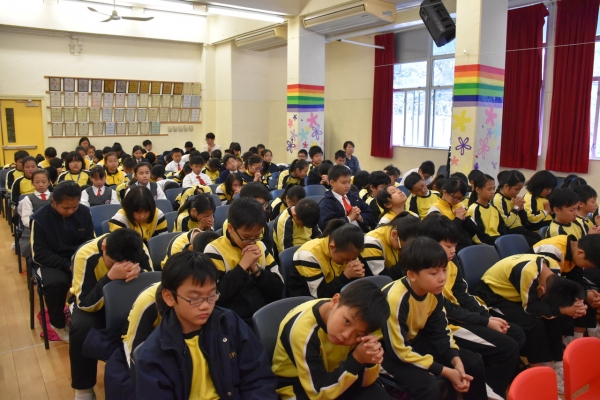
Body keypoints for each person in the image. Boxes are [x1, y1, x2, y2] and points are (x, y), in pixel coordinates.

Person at [135, 251, 278, 399]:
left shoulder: (229, 323)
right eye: (195, 298)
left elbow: (259, 379)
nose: (205, 306)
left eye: (211, 296)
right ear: (169, 297)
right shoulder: (153, 354)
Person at [415, 214, 524, 398]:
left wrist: (487, 317)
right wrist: (485, 322)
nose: (453, 251)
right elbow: (445, 309)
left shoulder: (452, 262)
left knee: (515, 333)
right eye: (448, 246)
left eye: (455, 246)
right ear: (430, 243)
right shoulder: (424, 270)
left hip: (460, 315)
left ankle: (492, 386)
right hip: (447, 323)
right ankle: (490, 391)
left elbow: (463, 295)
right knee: (507, 347)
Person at [381, 237, 487, 400]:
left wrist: (455, 361)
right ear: (412, 275)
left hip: (413, 339)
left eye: (444, 270)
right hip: (384, 350)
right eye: (433, 273)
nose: (442, 278)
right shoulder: (396, 299)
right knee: (430, 388)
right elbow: (398, 351)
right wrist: (446, 371)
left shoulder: (434, 290)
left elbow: (440, 330)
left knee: (472, 363)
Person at [476, 253, 587, 394]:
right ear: (542, 290)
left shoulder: (553, 266)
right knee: (534, 324)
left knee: (553, 317)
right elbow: (531, 308)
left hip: (517, 293)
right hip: (494, 296)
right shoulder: (528, 273)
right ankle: (539, 376)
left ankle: (556, 364)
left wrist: (574, 306)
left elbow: (551, 300)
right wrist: (564, 310)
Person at [272, 280, 391, 399]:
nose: (346, 335)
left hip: (337, 376)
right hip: (300, 388)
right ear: (334, 301)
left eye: (358, 334)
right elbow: (318, 393)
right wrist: (357, 359)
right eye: (347, 321)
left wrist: (370, 358)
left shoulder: (354, 318)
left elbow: (365, 383)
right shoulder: (302, 332)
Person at [70, 229, 150, 400]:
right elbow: (84, 303)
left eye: (129, 263)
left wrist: (140, 273)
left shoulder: (139, 248)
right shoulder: (85, 254)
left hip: (130, 301)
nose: (122, 268)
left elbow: (150, 286)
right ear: (104, 247)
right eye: (113, 263)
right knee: (81, 327)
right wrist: (109, 277)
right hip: (94, 305)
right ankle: (84, 389)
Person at [30, 182, 95, 343]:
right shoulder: (39, 219)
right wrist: (67, 265)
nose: (71, 211)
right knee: (56, 284)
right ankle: (57, 323)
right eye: (66, 208)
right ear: (53, 201)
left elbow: (90, 242)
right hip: (51, 262)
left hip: (78, 257)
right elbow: (40, 254)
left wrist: (78, 261)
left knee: (98, 276)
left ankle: (86, 318)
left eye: (74, 207)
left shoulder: (84, 212)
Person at [203, 197, 284, 326]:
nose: (252, 242)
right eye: (246, 237)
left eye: (256, 236)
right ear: (230, 228)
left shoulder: (260, 246)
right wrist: (242, 266)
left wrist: (257, 271)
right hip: (233, 321)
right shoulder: (214, 250)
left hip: (265, 316)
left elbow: (278, 290)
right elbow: (215, 296)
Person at [534, 234, 600, 343]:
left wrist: (589, 293)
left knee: (582, 299)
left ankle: (577, 341)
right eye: (587, 265)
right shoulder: (552, 250)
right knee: (573, 302)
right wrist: (582, 296)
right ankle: (562, 347)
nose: (586, 268)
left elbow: (577, 278)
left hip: (554, 283)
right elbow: (552, 285)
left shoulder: (574, 250)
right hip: (536, 288)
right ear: (580, 253)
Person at [288, 220, 365, 298]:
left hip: (336, 295)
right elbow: (320, 295)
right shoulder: (309, 255)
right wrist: (346, 276)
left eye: (353, 258)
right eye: (345, 259)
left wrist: (357, 274)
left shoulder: (349, 253)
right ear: (332, 247)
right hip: (308, 299)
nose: (348, 262)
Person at [358, 212, 420, 276]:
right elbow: (382, 277)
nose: (402, 250)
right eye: (402, 247)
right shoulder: (372, 242)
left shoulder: (393, 230)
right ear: (394, 234)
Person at [318, 165, 374, 232]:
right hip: (342, 236)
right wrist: (349, 218)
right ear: (332, 183)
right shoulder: (326, 203)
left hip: (360, 232)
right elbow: (326, 226)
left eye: (349, 182)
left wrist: (359, 217)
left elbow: (370, 213)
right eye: (344, 183)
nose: (348, 186)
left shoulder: (354, 197)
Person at [493, 170, 542, 247]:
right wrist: (516, 208)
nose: (518, 192)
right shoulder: (498, 199)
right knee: (537, 245)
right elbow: (507, 223)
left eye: (520, 189)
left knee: (540, 239)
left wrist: (521, 209)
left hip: (520, 229)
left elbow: (524, 221)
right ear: (506, 186)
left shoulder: (513, 197)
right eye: (516, 189)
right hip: (511, 232)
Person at [427, 177, 477, 251]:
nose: (458, 201)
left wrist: (465, 219)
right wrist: (458, 219)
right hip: (450, 249)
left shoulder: (460, 205)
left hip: (467, 245)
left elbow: (474, 230)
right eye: (456, 197)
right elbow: (443, 235)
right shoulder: (435, 209)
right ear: (445, 193)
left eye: (461, 198)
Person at [17, 169, 52, 258]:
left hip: (53, 228)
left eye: (44, 182)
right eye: (37, 182)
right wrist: (37, 227)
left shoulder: (55, 196)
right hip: (34, 229)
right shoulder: (28, 199)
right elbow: (25, 219)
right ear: (32, 183)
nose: (40, 185)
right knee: (35, 246)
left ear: (49, 182)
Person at [466, 173, 506, 245]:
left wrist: (502, 242)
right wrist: (496, 244)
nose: (493, 192)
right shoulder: (474, 209)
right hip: (484, 246)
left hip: (498, 242)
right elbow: (478, 236)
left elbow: (502, 229)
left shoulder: (494, 208)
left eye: (494, 188)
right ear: (478, 190)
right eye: (489, 189)